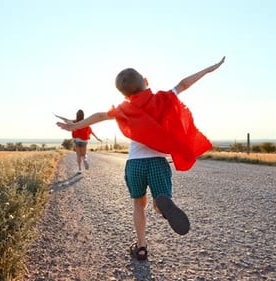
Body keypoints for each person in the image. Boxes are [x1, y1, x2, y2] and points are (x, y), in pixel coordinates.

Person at [56, 57, 225, 260]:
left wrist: (74, 126)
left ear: (123, 94)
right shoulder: (162, 99)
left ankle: (141, 246)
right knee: (160, 198)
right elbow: (183, 84)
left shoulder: (124, 109)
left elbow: (100, 116)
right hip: (157, 162)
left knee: (138, 204)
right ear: (146, 81)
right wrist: (208, 69)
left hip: (134, 164)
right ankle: (162, 207)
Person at [55, 110, 102, 174]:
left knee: (78, 155)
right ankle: (85, 159)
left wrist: (58, 116)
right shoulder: (85, 122)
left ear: (77, 115)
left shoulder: (74, 122)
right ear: (83, 115)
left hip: (77, 140)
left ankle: (80, 169)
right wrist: (97, 138)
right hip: (84, 140)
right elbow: (91, 131)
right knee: (84, 154)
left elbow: (66, 119)